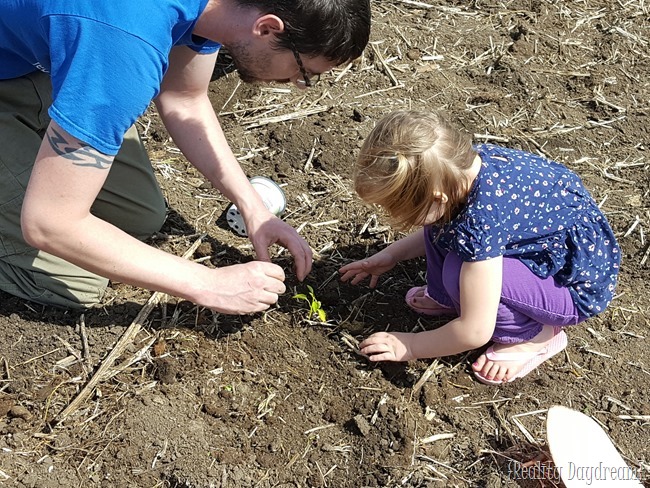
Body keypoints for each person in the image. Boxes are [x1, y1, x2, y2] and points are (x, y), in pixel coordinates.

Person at [0, 0, 371, 313]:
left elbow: (184, 97)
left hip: (30, 59)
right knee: (76, 280)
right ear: (268, 28)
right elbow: (49, 223)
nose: (296, 83)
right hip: (71, 57)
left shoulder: (219, 11)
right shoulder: (127, 44)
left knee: (140, 216)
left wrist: (252, 206)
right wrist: (205, 283)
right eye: (303, 71)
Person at [339, 110, 620, 385]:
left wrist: (410, 345)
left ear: (438, 197)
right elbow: (437, 221)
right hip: (541, 245)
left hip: (570, 283)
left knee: (458, 274)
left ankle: (534, 336)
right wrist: (392, 255)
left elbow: (474, 331)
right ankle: (446, 297)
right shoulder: (456, 170)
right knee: (444, 235)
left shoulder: (483, 221)